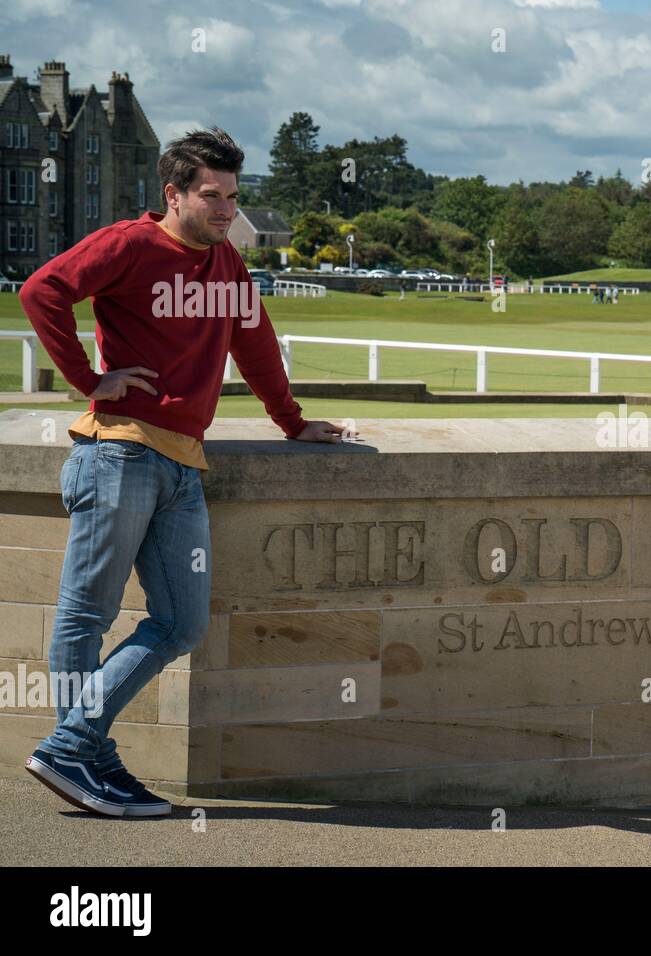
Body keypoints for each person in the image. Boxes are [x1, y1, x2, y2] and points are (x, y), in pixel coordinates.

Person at [17, 127, 342, 818]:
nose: (226, 210)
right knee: (86, 615)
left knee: (180, 623)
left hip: (182, 466)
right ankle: (84, 758)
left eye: (232, 196)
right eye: (211, 196)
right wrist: (87, 378)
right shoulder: (131, 244)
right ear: (174, 194)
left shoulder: (228, 267)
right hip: (120, 452)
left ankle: (75, 746)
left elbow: (255, 348)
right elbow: (43, 291)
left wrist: (293, 423)